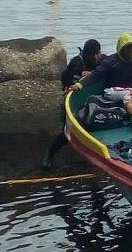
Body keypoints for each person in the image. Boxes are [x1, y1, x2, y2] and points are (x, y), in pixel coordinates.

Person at [42, 38, 102, 170]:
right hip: (72, 101)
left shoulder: (101, 61)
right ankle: (49, 154)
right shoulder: (77, 63)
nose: (96, 57)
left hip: (92, 101)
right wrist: (83, 77)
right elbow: (70, 86)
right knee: (67, 132)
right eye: (93, 54)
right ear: (86, 54)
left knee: (95, 129)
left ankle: (93, 159)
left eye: (98, 53)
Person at [68, 32, 132, 93]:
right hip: (114, 92)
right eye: (127, 48)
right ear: (121, 49)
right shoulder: (110, 61)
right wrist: (78, 85)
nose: (130, 51)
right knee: (128, 94)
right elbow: (96, 74)